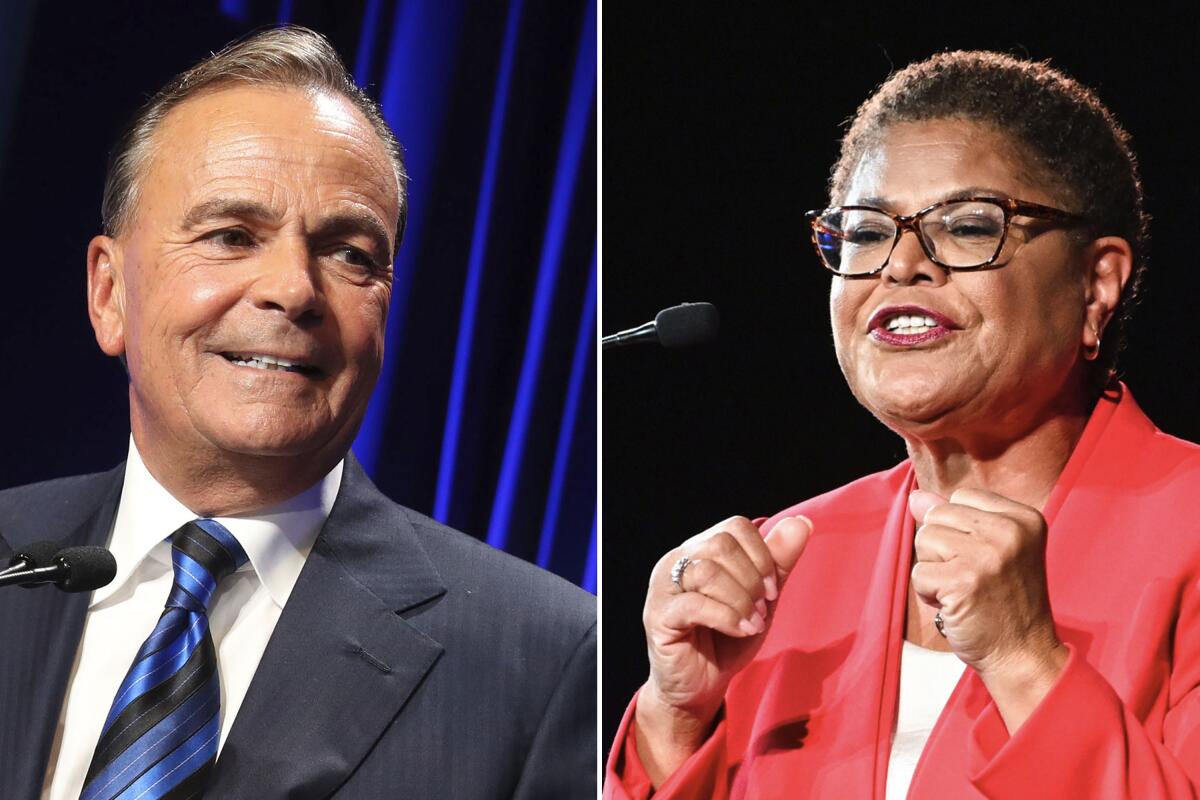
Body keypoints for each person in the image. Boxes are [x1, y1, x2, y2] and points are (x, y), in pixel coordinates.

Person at [0, 26, 595, 800]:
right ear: (109, 293)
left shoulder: (544, 659)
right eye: (231, 235)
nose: (295, 289)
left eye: (350, 253)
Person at [605, 50, 1200, 798]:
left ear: (1096, 282)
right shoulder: (782, 566)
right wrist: (674, 721)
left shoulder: (1189, 530)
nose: (901, 264)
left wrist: (1027, 663)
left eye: (968, 225)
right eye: (863, 232)